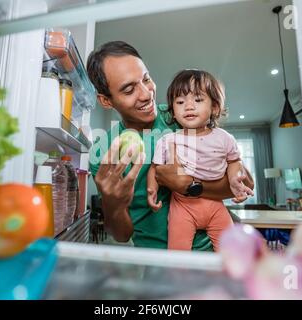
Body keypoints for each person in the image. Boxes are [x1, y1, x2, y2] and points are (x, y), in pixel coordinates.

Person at [86, 41, 254, 250]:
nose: (146, 94)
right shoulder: (103, 153)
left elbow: (246, 183)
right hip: (158, 264)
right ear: (106, 101)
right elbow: (121, 235)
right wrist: (114, 205)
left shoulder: (180, 116)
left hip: (212, 252)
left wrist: (189, 186)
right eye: (129, 90)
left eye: (146, 79)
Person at [147, 69, 253, 251]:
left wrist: (236, 181)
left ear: (215, 107)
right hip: (182, 207)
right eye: (180, 102)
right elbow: (155, 168)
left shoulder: (224, 138)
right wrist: (151, 189)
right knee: (178, 256)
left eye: (198, 100)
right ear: (173, 112)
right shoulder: (168, 140)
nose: (188, 106)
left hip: (216, 207)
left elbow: (234, 162)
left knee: (230, 254)